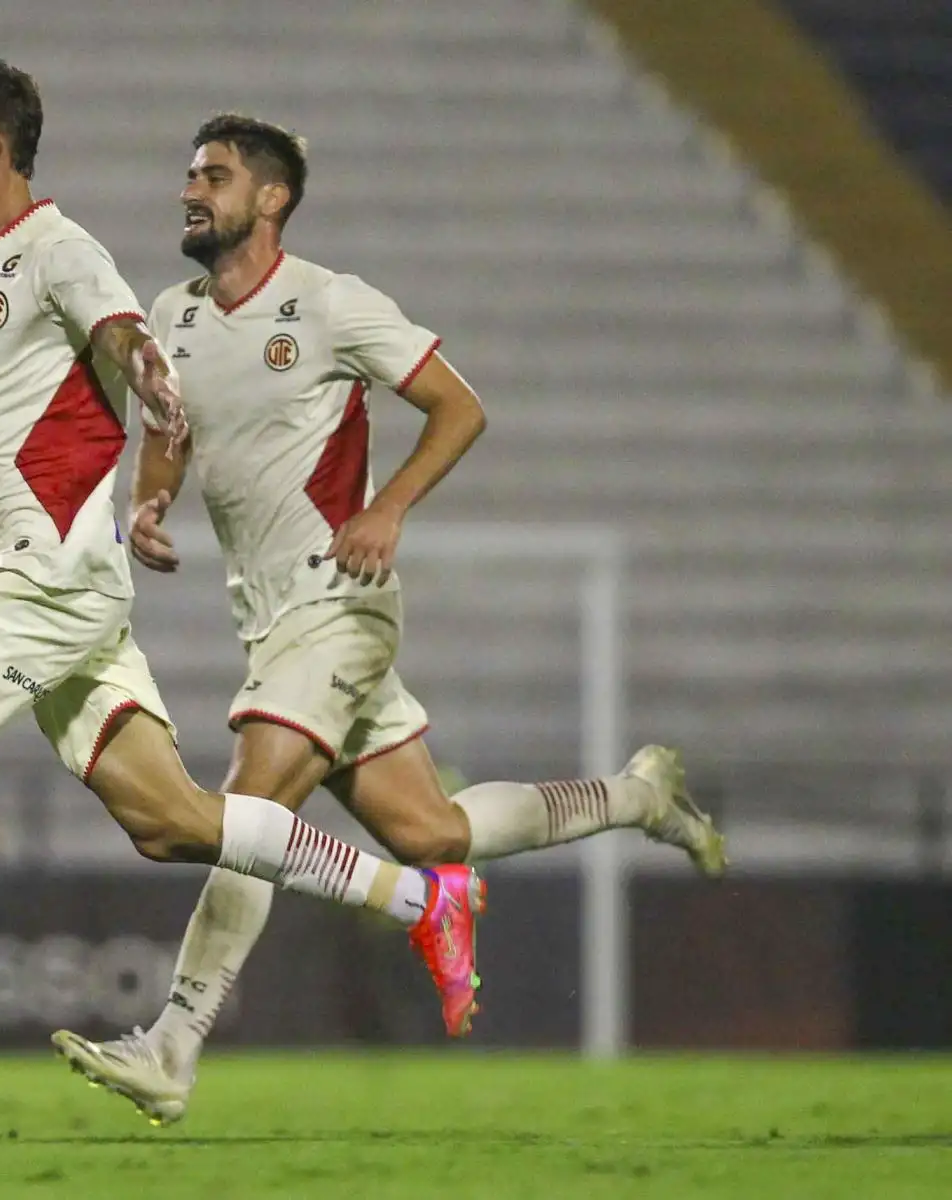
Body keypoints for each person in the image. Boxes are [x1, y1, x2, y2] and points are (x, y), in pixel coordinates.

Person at [0, 63, 487, 1114]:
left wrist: (153, 378)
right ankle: (416, 897)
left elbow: (122, 331)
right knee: (173, 822)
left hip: (44, 577)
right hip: (70, 588)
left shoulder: (59, 250)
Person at [51, 114, 728, 1125]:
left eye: (215, 176)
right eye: (190, 175)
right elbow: (168, 426)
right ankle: (637, 797)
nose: (191, 191)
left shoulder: (331, 304)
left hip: (339, 603)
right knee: (432, 829)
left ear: (271, 198)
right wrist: (152, 499)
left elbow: (460, 406)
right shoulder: (173, 316)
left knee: (251, 813)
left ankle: (172, 1049)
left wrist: (389, 507)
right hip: (270, 617)